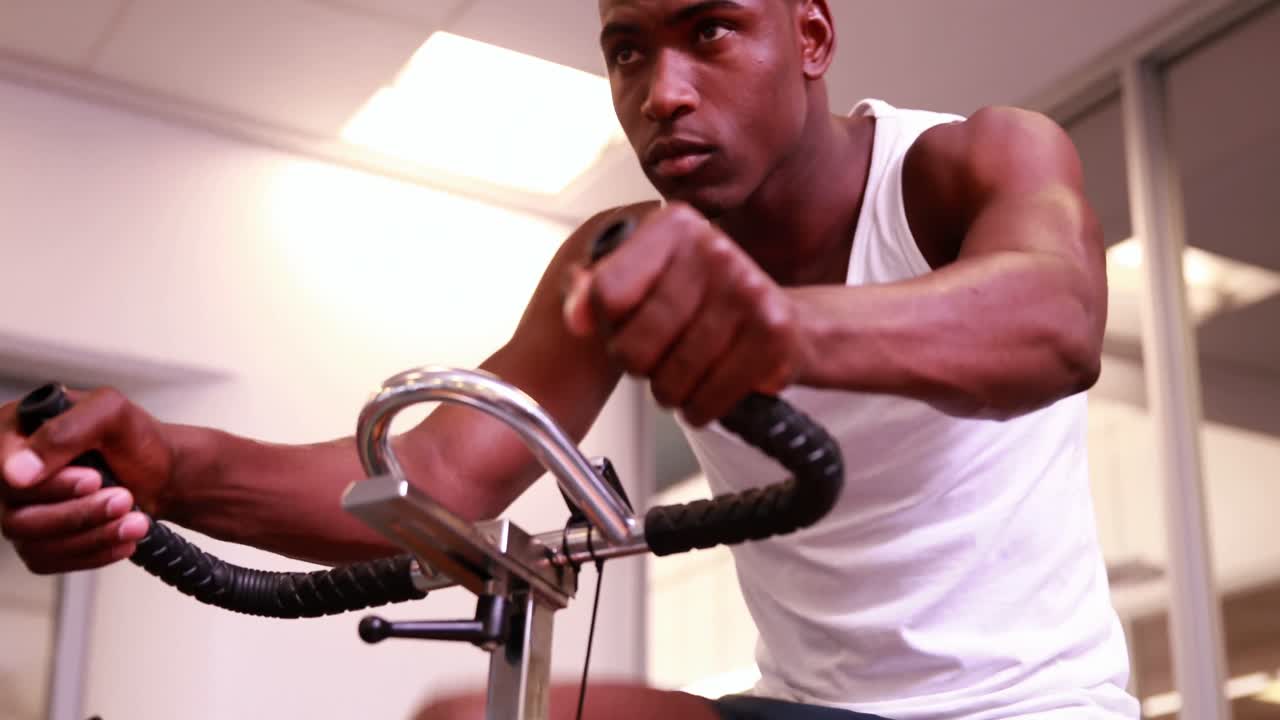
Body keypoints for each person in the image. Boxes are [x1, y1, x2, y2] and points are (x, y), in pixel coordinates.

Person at [0, 0, 1137, 718]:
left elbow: (1051, 321)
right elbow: (442, 479)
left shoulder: (965, 163)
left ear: (810, 34)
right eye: (625, 51)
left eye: (708, 31)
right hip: (806, 707)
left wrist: (788, 327)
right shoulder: (619, 254)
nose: (661, 92)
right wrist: (162, 464)